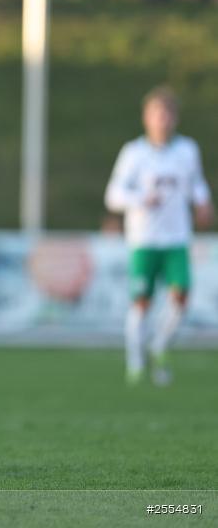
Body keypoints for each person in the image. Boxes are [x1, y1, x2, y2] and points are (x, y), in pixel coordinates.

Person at [105, 86, 213, 386]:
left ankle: (159, 345)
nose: (161, 119)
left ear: (174, 119)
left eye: (167, 114)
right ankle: (136, 363)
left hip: (176, 238)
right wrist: (141, 198)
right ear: (146, 118)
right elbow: (113, 195)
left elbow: (196, 184)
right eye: (156, 114)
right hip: (144, 240)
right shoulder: (134, 152)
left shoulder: (187, 150)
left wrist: (203, 202)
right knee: (141, 302)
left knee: (181, 296)